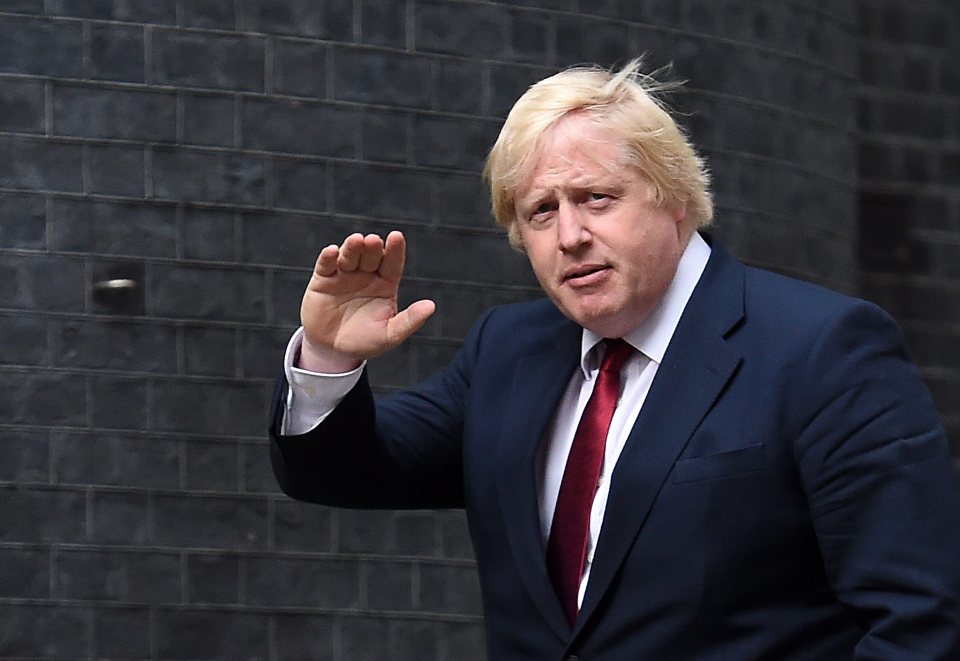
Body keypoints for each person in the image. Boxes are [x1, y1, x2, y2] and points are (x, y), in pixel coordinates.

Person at [269, 59, 960, 659]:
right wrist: (329, 353)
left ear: (678, 199)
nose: (570, 235)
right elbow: (350, 470)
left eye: (596, 198)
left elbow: (919, 618)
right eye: (541, 211)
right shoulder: (508, 352)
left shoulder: (823, 350)